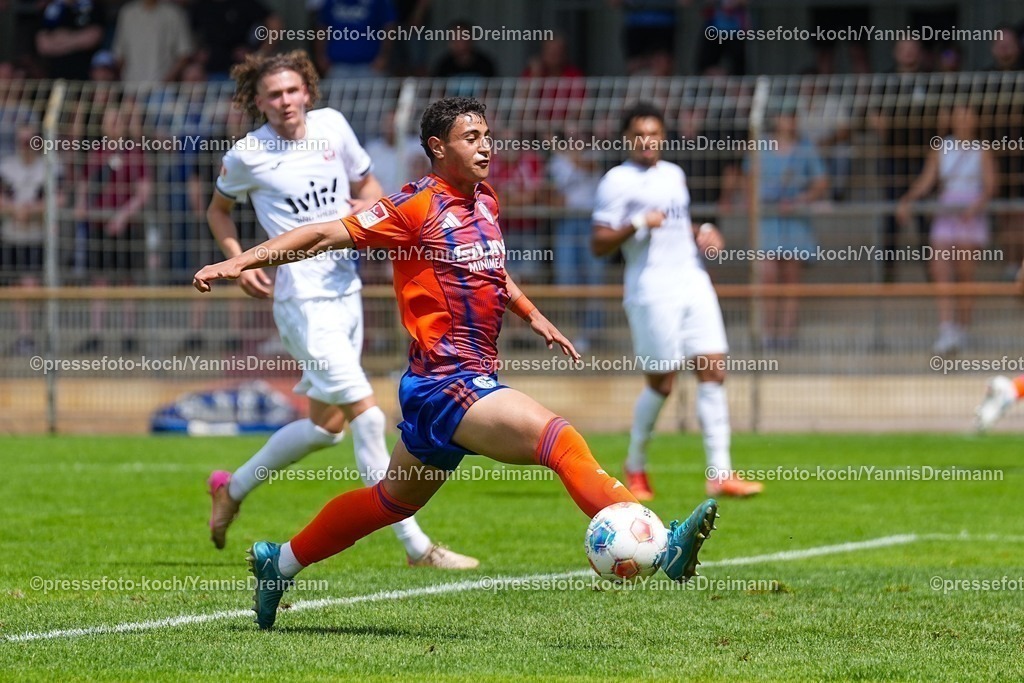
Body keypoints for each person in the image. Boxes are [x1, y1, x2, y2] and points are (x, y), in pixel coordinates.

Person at [193, 96, 720, 630]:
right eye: (472, 137)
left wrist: (531, 313)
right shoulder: (413, 206)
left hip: (456, 380)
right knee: (558, 441)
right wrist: (240, 260)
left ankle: (278, 562)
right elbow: (323, 233)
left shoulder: (486, 201)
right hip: (447, 382)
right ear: (437, 148)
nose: (485, 145)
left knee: (390, 502)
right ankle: (662, 542)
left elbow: (490, 271)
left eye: (487, 135)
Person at [204, 51, 477, 571]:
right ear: (257, 102)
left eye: (291, 91)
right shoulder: (247, 154)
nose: (284, 102)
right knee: (369, 418)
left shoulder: (333, 127)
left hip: (345, 288)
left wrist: (364, 208)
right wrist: (237, 262)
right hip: (302, 300)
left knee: (325, 427)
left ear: (307, 90)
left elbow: (370, 190)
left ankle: (231, 489)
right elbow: (218, 210)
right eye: (273, 95)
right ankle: (418, 547)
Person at [591, 101, 762, 502]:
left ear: (663, 137)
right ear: (626, 138)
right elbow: (598, 243)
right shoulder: (616, 181)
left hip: (692, 281)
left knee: (713, 369)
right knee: (662, 383)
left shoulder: (674, 174)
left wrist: (704, 231)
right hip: (652, 290)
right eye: (639, 134)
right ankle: (634, 465)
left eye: (653, 133)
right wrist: (636, 223)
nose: (647, 141)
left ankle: (720, 473)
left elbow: (677, 223)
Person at [897, 103, 997, 355]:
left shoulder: (982, 149)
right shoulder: (941, 147)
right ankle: (946, 328)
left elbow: (991, 184)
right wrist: (908, 198)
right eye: (959, 115)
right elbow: (926, 180)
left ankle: (963, 328)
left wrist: (977, 206)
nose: (963, 120)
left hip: (969, 213)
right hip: (947, 210)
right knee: (940, 270)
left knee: (965, 274)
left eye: (968, 115)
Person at [750, 107, 828, 348]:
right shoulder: (761, 145)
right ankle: (766, 334)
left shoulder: (805, 147)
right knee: (768, 277)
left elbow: (821, 181)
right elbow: (749, 178)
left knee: (791, 279)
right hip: (767, 220)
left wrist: (800, 200)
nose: (790, 121)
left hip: (795, 221)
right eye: (785, 115)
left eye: (793, 116)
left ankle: (786, 335)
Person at [0, 124, 52, 355]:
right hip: (12, 235)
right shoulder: (7, 167)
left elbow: (58, 198)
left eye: (30, 140)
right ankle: (25, 335)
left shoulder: (47, 167)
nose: (26, 146)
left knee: (33, 286)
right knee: (17, 287)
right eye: (22, 141)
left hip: (37, 236)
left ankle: (41, 333)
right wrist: (14, 210)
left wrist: (32, 210)